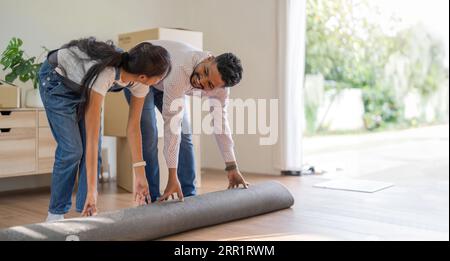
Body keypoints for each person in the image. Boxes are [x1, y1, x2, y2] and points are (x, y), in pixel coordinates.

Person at [39, 38, 171, 221]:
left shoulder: (140, 83)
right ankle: (55, 214)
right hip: (57, 80)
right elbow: (92, 139)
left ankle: (86, 212)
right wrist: (93, 191)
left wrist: (140, 176)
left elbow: (134, 128)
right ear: (143, 76)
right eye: (160, 78)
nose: (161, 81)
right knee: (72, 150)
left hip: (84, 86)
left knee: (92, 152)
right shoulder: (106, 74)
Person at [124, 40, 248, 202]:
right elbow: (171, 127)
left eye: (209, 84)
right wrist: (171, 176)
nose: (201, 81)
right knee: (149, 135)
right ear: (210, 58)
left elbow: (220, 124)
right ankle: (151, 199)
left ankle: (189, 196)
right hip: (143, 74)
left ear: (220, 88)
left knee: (185, 133)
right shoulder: (182, 68)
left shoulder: (221, 91)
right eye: (204, 71)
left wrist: (231, 167)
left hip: (168, 84)